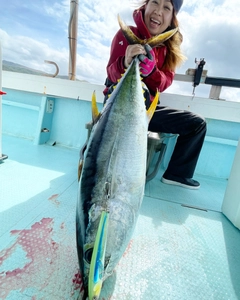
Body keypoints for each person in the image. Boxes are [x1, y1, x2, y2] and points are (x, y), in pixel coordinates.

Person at [103, 0, 207, 190]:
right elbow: (111, 72)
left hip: (146, 109)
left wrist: (152, 72)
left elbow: (164, 83)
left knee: (197, 124)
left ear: (172, 18)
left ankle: (177, 174)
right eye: (155, 3)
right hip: (116, 106)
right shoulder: (126, 35)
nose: (158, 11)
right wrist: (126, 62)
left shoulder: (169, 50)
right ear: (146, 6)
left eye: (167, 8)